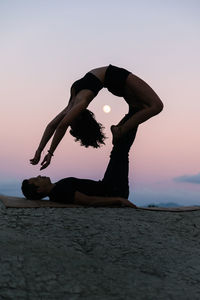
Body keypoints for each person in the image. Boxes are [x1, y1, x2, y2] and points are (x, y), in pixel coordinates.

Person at [30, 64, 163, 170]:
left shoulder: (74, 106)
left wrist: (45, 151)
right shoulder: (79, 103)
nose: (69, 122)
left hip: (113, 78)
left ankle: (121, 131)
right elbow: (56, 125)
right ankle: (120, 130)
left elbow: (56, 125)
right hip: (114, 78)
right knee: (155, 106)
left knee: (143, 108)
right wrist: (43, 151)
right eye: (72, 124)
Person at [22, 107, 140, 208]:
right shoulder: (59, 192)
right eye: (37, 180)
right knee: (121, 151)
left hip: (108, 185)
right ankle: (135, 110)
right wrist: (119, 200)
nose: (39, 176)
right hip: (113, 190)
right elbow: (89, 201)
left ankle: (134, 111)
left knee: (119, 150)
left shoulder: (57, 188)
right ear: (39, 190)